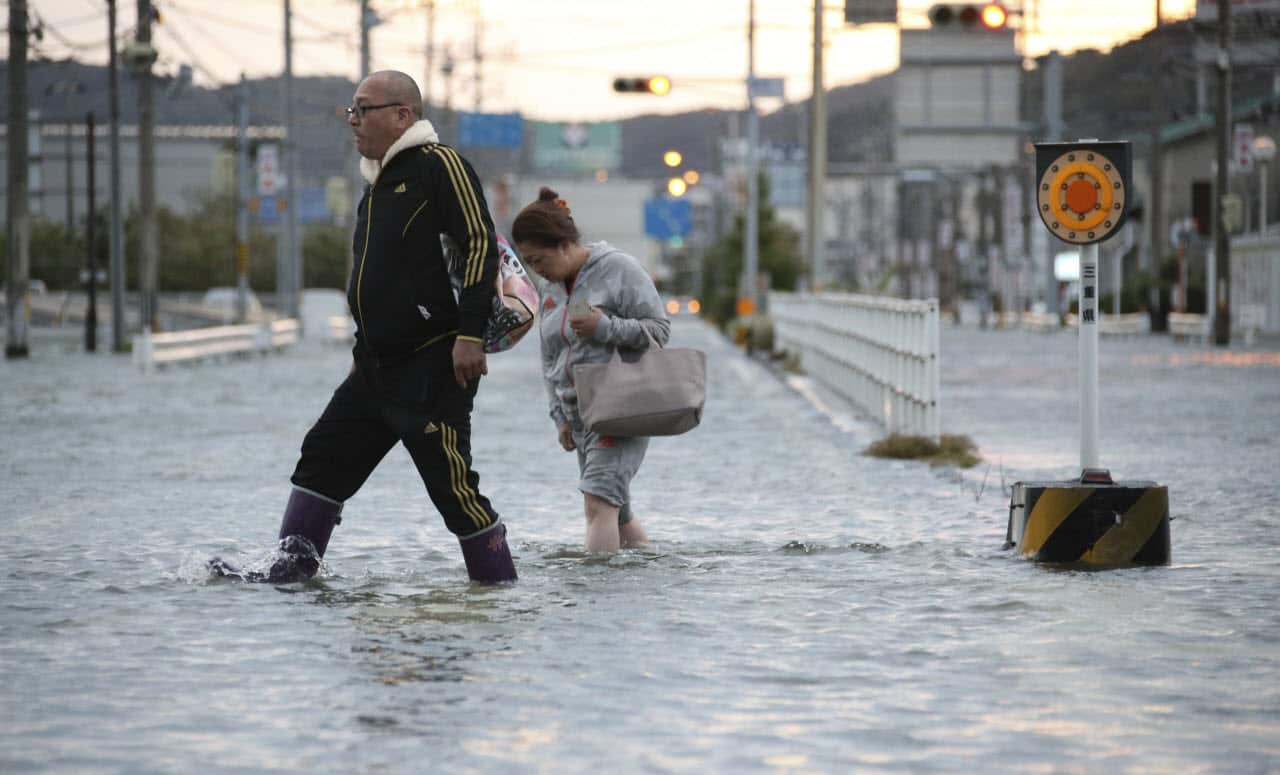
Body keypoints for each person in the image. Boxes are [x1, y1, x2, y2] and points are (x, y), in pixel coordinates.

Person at [211, 70, 516, 584]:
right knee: (322, 457)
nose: (353, 120)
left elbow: (480, 244)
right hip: (373, 367)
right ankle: (290, 572)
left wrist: (468, 335)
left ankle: (499, 591)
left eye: (363, 109)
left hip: (434, 362)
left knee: (454, 490)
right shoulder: (375, 184)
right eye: (350, 111)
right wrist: (362, 348)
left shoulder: (441, 166)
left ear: (403, 114)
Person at [511, 188, 671, 553]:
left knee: (598, 502)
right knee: (617, 511)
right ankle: (645, 568)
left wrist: (606, 328)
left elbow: (659, 331)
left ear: (565, 245)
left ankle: (595, 593)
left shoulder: (619, 269)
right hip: (579, 415)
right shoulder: (551, 289)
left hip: (620, 408)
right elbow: (548, 358)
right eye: (529, 262)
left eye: (540, 260)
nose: (537, 270)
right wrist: (559, 417)